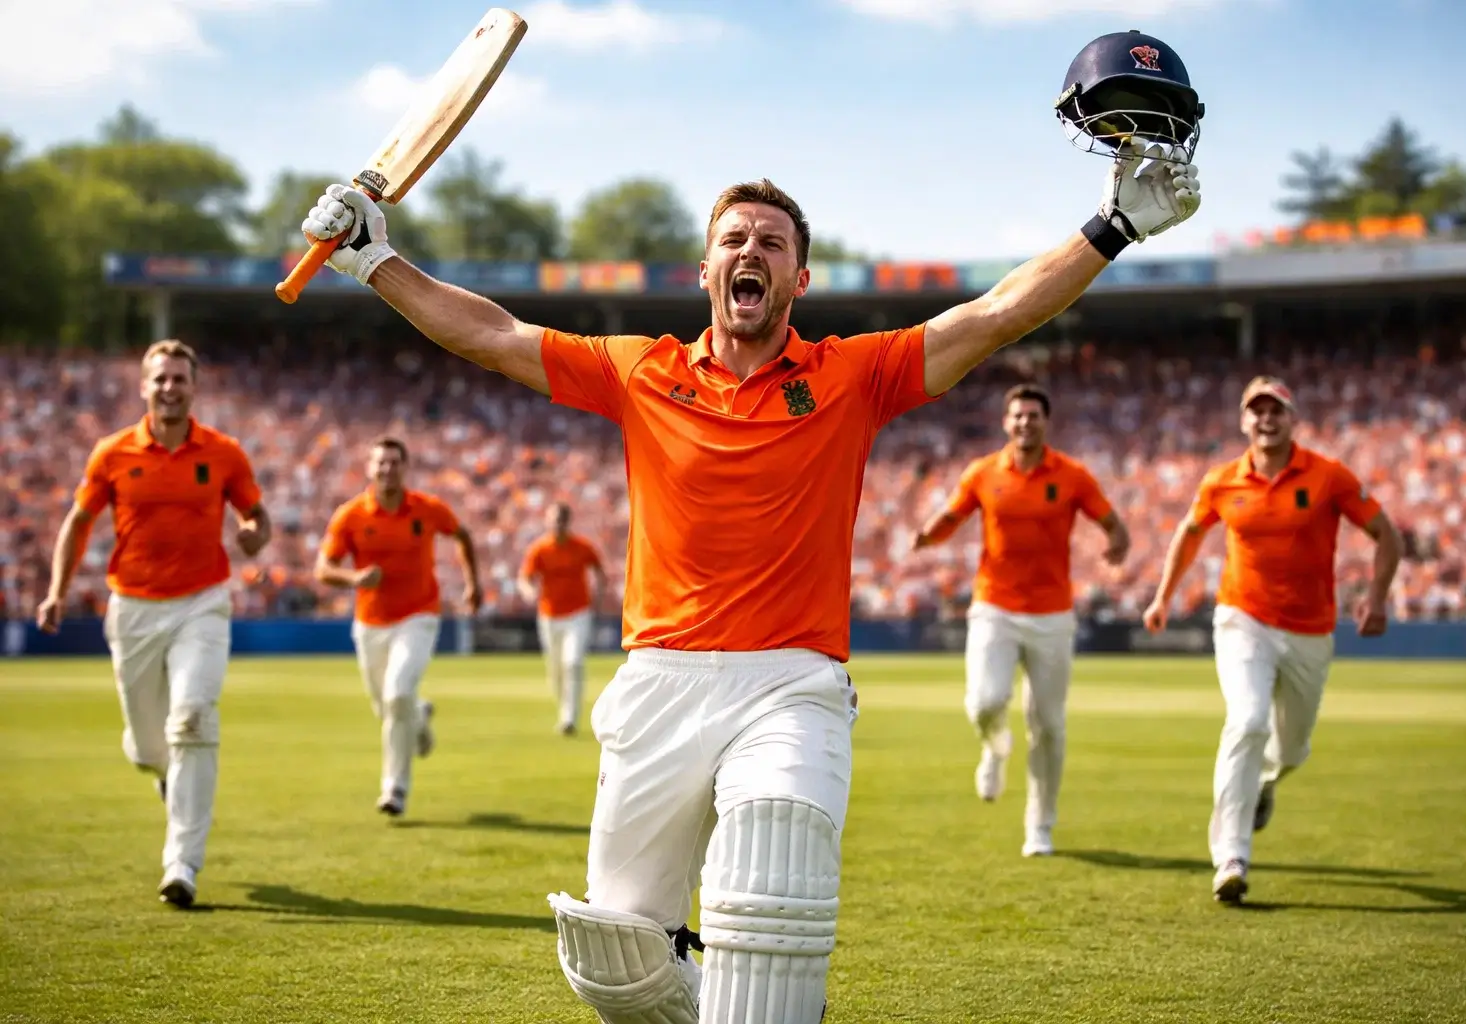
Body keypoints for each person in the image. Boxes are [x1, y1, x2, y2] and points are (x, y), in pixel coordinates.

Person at [297, 134, 1200, 1022]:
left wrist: (1112, 224)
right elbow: (494, 335)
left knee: (774, 861)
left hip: (791, 681)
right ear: (704, 270)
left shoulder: (853, 374)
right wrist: (378, 259)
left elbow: (995, 314)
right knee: (614, 960)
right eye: (734, 240)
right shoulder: (638, 370)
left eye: (771, 243)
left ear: (799, 280)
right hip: (659, 681)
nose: (750, 253)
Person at [1142, 376, 1402, 904]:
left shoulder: (1328, 476)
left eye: (1276, 410)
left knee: (1292, 749)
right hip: (1243, 619)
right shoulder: (1221, 482)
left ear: (1292, 419)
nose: (1265, 419)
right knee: (1246, 720)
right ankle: (1231, 856)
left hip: (1310, 629)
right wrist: (1163, 596)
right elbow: (1190, 535)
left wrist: (1376, 597)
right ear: (1243, 421)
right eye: (1255, 410)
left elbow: (1386, 535)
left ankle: (1265, 782)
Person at [35, 340, 272, 908]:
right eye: (160, 379)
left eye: (179, 379)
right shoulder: (112, 453)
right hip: (134, 608)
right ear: (144, 387)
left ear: (194, 387)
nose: (170, 387)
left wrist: (253, 536)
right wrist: (56, 592)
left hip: (203, 604)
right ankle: (159, 767)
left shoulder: (224, 453)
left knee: (192, 719)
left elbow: (256, 518)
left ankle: (181, 864)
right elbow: (78, 522)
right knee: (148, 748)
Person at [912, 382, 1128, 857]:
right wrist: (927, 535)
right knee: (985, 701)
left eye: (1033, 415)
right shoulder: (983, 472)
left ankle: (1040, 827)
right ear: (1006, 423)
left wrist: (1118, 544)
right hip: (994, 606)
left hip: (1052, 615)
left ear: (1045, 423)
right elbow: (953, 515)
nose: (1025, 422)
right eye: (1018, 416)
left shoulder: (1072, 475)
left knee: (1048, 725)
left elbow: (1111, 522)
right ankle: (993, 746)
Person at [315, 437, 482, 818]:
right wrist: (355, 578)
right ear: (369, 469)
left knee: (395, 695)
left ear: (405, 468)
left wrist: (473, 583)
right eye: (381, 463)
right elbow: (322, 569)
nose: (387, 469)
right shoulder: (351, 515)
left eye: (394, 462)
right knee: (387, 706)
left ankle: (395, 788)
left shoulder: (426, 509)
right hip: (370, 623)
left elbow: (462, 535)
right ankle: (419, 716)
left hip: (419, 616)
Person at [519, 502, 607, 736]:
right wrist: (528, 590)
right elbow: (525, 577)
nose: (557, 525)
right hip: (549, 616)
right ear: (547, 521)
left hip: (578, 613)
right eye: (553, 520)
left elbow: (599, 571)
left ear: (568, 522)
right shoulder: (539, 549)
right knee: (556, 667)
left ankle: (570, 717)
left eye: (561, 520)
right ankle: (563, 708)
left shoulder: (582, 547)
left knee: (573, 662)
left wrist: (599, 595)